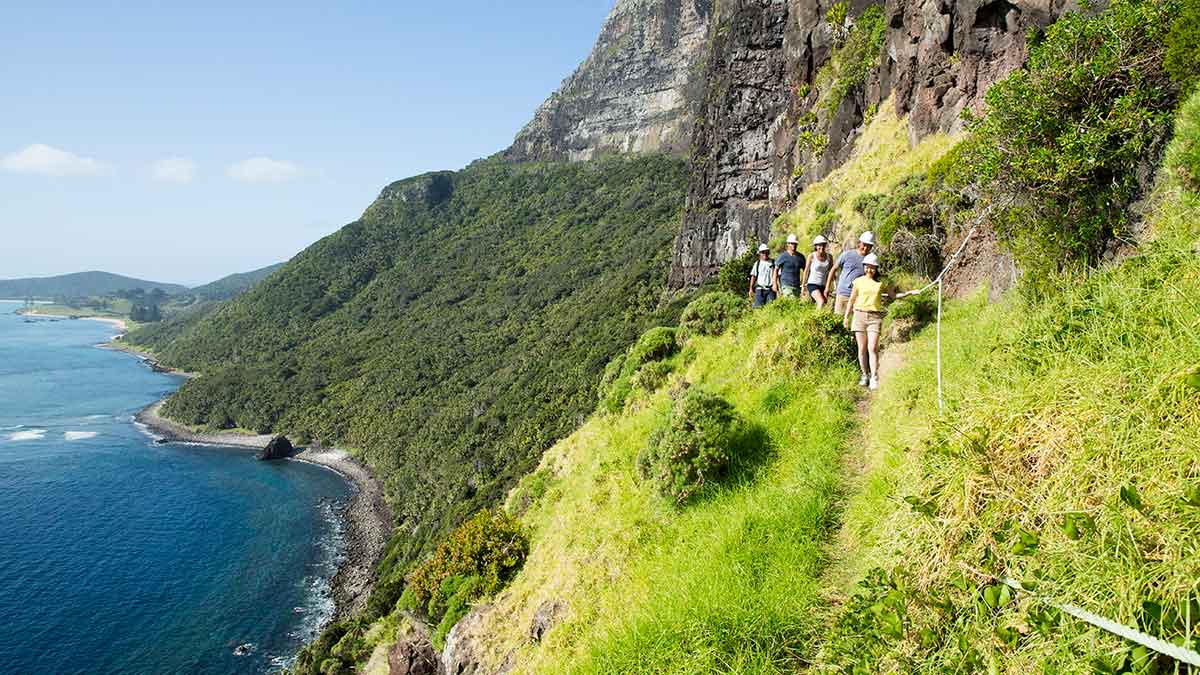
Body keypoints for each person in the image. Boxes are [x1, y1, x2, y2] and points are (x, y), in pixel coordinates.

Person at [843, 253, 884, 390]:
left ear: (876, 268)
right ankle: (865, 374)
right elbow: (852, 299)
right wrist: (846, 317)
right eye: (867, 267)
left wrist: (911, 293)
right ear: (864, 267)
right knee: (861, 349)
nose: (869, 270)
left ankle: (874, 377)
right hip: (859, 315)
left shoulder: (881, 282)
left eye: (872, 267)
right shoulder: (858, 281)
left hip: (874, 317)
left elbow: (893, 295)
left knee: (872, 348)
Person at [826, 231, 876, 316]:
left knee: (854, 323)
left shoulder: (871, 260)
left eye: (869, 246)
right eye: (864, 245)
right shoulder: (847, 255)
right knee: (839, 320)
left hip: (859, 296)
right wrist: (827, 287)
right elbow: (833, 269)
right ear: (859, 243)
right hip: (843, 293)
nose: (866, 248)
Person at [804, 235, 832, 309]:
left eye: (823, 245)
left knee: (823, 305)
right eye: (819, 245)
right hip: (812, 284)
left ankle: (815, 318)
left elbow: (831, 272)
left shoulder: (829, 257)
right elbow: (806, 271)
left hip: (823, 285)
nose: (821, 247)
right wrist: (803, 286)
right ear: (816, 246)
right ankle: (816, 320)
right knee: (821, 301)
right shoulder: (811, 256)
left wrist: (831, 286)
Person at [748, 243, 777, 307]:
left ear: (768, 252)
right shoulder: (757, 264)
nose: (765, 254)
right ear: (760, 253)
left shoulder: (773, 263)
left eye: (766, 252)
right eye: (762, 252)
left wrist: (778, 288)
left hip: (771, 290)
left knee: (771, 308)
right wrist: (750, 289)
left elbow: (777, 276)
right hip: (759, 290)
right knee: (758, 308)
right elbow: (753, 277)